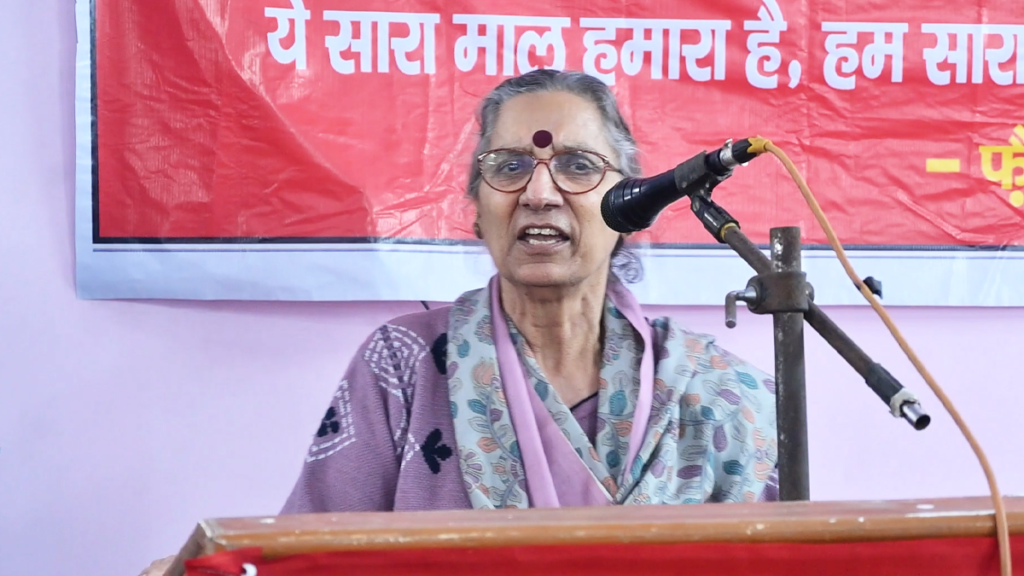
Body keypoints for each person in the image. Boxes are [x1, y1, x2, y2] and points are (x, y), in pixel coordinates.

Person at [138, 69, 778, 575]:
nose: (539, 193)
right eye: (508, 167)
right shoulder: (406, 366)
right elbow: (308, 554)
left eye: (579, 167)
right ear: (476, 206)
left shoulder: (717, 393)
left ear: (631, 204)